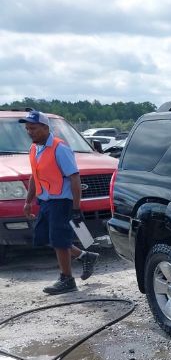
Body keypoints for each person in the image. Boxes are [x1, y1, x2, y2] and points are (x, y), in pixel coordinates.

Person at [20, 110, 98, 294]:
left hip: (61, 202)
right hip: (45, 201)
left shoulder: (59, 148)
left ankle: (67, 279)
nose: (30, 132)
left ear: (45, 128)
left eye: (34, 128)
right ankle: (85, 256)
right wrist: (28, 201)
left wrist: (76, 207)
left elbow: (75, 178)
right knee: (45, 237)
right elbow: (35, 175)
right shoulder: (34, 148)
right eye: (27, 128)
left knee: (59, 240)